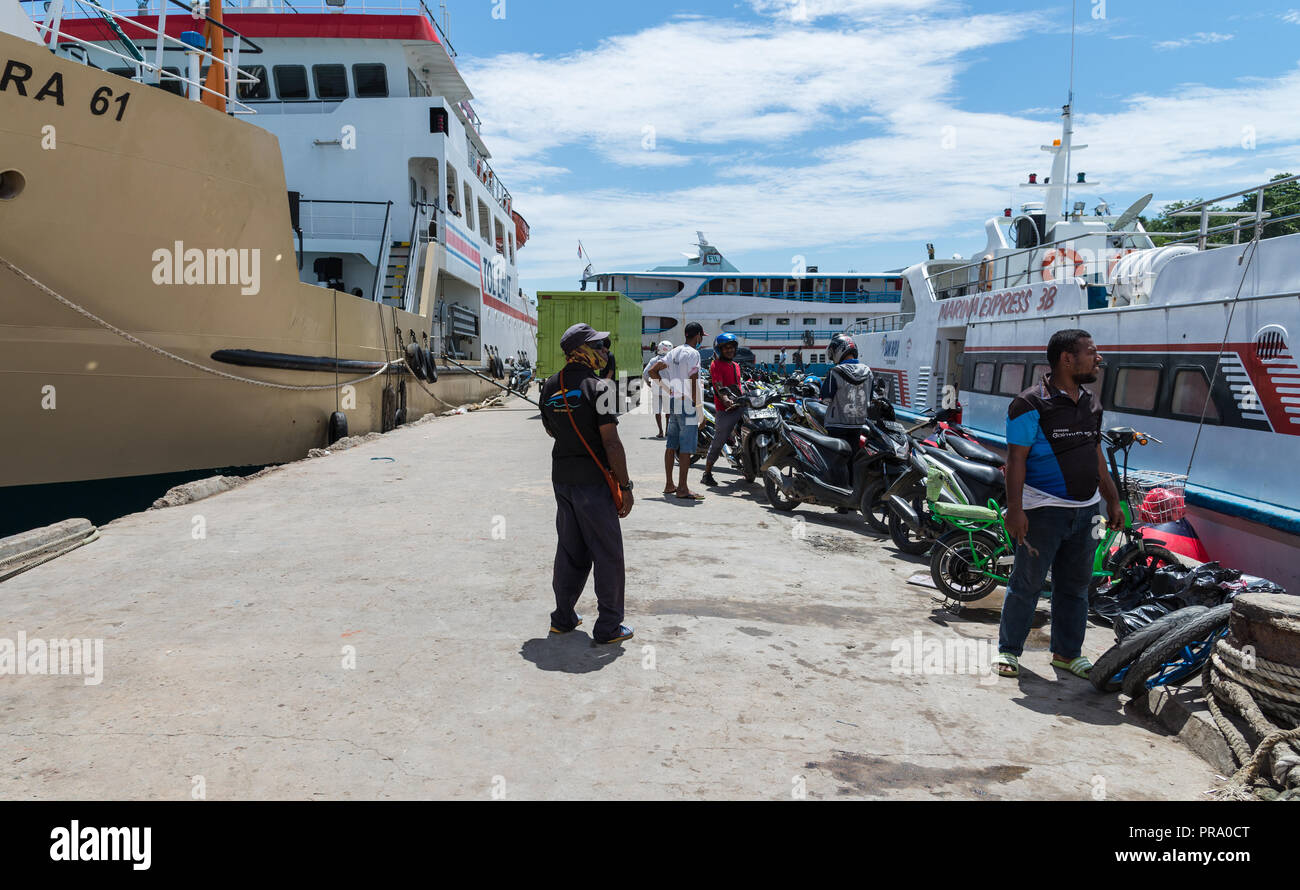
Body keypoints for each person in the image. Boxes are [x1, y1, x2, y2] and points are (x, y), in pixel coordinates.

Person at [993, 329, 1123, 680]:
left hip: (1086, 511)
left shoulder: (1092, 403)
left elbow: (1096, 455)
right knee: (1027, 583)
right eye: (1092, 353)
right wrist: (1016, 510)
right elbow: (1016, 460)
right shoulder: (1028, 403)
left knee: (1076, 586)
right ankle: (1009, 651)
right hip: (1042, 510)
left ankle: (1067, 654)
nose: (1098, 359)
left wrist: (1112, 500)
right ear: (1068, 358)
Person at [539, 323, 635, 645]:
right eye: (598, 346)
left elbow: (552, 431)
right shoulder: (602, 388)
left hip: (563, 480)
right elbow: (611, 444)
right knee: (607, 554)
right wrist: (626, 486)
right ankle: (608, 627)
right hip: (594, 484)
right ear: (581, 351)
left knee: (570, 550)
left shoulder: (549, 386)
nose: (605, 351)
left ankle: (563, 618)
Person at [646, 322, 705, 500]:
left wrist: (667, 389)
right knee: (686, 447)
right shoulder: (694, 353)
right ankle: (682, 488)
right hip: (687, 403)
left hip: (674, 402)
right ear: (698, 336)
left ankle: (669, 484)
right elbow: (694, 380)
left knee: (671, 444)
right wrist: (699, 410)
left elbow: (652, 371)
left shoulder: (674, 352)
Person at [701, 333, 744, 487]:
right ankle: (707, 473)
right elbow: (718, 386)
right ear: (719, 349)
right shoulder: (716, 365)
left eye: (732, 347)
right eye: (726, 347)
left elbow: (738, 386)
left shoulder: (736, 366)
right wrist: (726, 400)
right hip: (725, 409)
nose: (730, 350)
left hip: (740, 406)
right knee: (719, 440)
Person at [819, 333, 873, 452]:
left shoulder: (835, 372)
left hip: (836, 425)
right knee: (852, 457)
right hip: (858, 425)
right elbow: (870, 397)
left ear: (839, 350)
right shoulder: (868, 372)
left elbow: (825, 398)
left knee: (836, 459)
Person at [643, 340, 673, 438]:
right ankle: (668, 430)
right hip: (668, 389)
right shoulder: (671, 361)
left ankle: (660, 431)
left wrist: (647, 382)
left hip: (656, 388)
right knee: (668, 412)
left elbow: (645, 373)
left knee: (657, 411)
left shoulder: (653, 360)